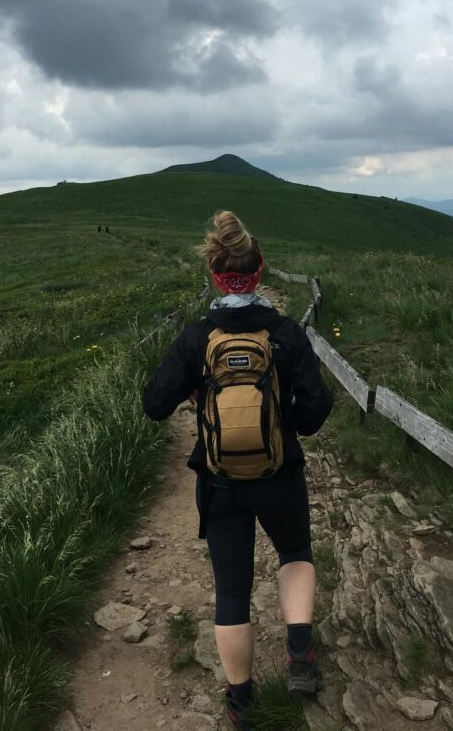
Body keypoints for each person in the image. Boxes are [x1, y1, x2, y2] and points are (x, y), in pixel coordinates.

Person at [142, 210, 333, 729]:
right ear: (260, 270)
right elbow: (318, 408)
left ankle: (241, 701)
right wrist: (280, 425)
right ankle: (299, 657)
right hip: (279, 474)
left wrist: (197, 397)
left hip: (219, 481)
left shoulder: (196, 337)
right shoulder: (286, 333)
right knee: (294, 552)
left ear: (214, 272)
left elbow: (153, 404)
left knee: (231, 590)